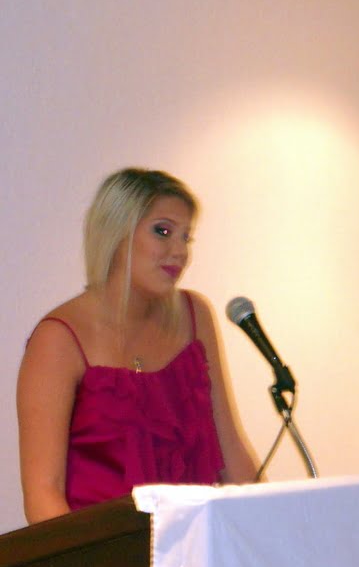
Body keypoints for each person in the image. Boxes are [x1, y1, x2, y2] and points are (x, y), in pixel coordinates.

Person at [17, 168, 258, 524]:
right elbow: (43, 495)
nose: (180, 252)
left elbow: (231, 452)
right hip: (105, 551)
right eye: (163, 231)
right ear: (117, 233)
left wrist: (268, 531)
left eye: (186, 237)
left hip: (198, 544)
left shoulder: (195, 316)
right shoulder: (58, 339)